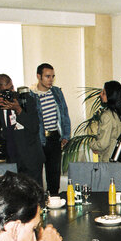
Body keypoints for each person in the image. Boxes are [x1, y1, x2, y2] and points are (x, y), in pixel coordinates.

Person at [0, 74, 45, 186]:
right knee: (15, 194)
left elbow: (34, 127)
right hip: (11, 156)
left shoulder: (26, 98)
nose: (10, 92)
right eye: (5, 91)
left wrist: (18, 109)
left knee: (34, 194)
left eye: (11, 88)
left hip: (31, 155)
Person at [32, 63, 72, 195]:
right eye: (47, 76)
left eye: (52, 76)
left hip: (54, 138)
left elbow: (64, 114)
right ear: (39, 76)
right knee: (36, 174)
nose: (50, 79)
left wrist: (65, 135)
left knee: (54, 174)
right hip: (38, 139)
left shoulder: (56, 92)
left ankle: (54, 200)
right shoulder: (32, 95)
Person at [89, 80, 121, 162]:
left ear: (111, 95)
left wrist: (91, 145)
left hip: (109, 159)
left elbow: (103, 143)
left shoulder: (107, 116)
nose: (100, 94)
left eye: (104, 93)